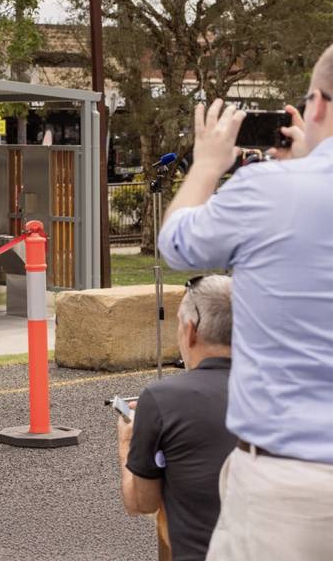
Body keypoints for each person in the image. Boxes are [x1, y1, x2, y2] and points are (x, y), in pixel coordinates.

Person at [158, 44, 333, 560]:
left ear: (317, 105)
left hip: (292, 485)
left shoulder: (268, 189)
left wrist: (208, 165)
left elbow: (177, 244)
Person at [117, 275, 236, 561]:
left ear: (190, 331)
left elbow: (140, 502)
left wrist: (127, 442)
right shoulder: (285, 390)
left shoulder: (163, 398)